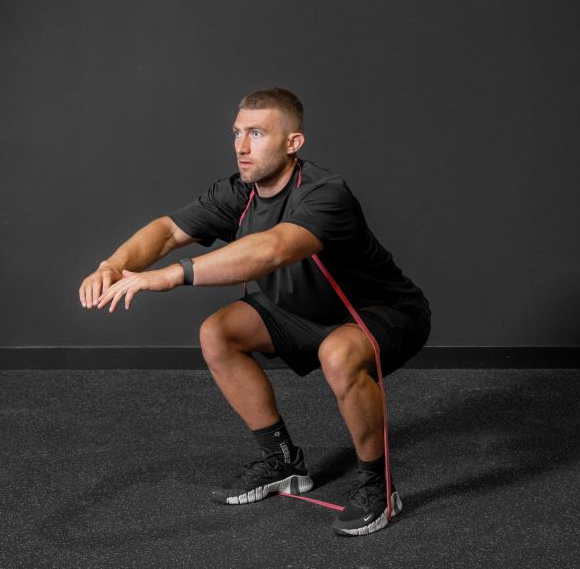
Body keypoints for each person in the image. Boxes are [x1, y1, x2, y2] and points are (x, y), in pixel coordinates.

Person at [79, 88, 430, 536]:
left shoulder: (326, 194)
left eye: (257, 133)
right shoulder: (237, 193)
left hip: (377, 310)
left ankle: (377, 485)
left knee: (338, 355)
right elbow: (167, 232)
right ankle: (281, 461)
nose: (241, 146)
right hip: (300, 311)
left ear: (292, 143)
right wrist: (113, 265)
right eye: (238, 133)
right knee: (218, 332)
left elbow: (272, 250)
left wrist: (167, 277)